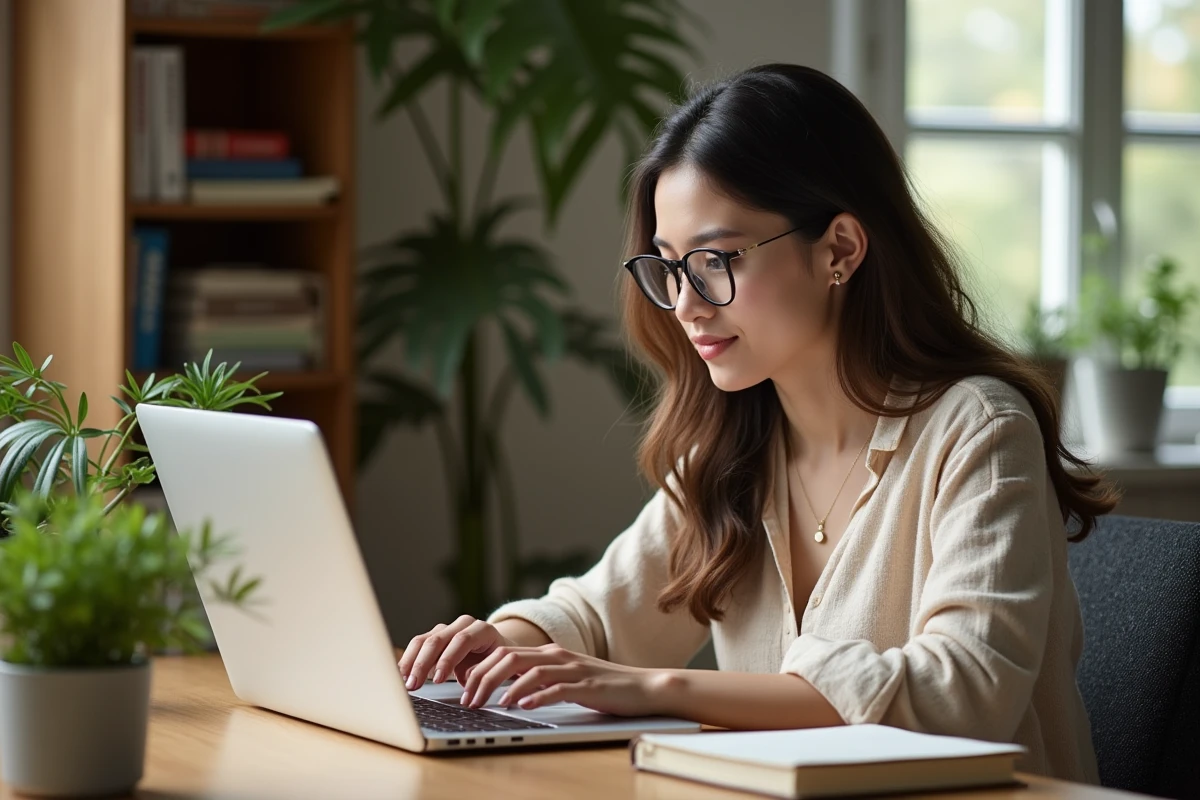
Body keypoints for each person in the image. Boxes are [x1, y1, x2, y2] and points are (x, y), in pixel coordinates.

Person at [398, 63, 1118, 782]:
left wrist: (658, 689)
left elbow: (965, 695)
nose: (684, 304)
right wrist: (497, 644)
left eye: (714, 260)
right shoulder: (735, 442)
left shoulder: (979, 429)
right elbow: (599, 617)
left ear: (839, 248)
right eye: (670, 267)